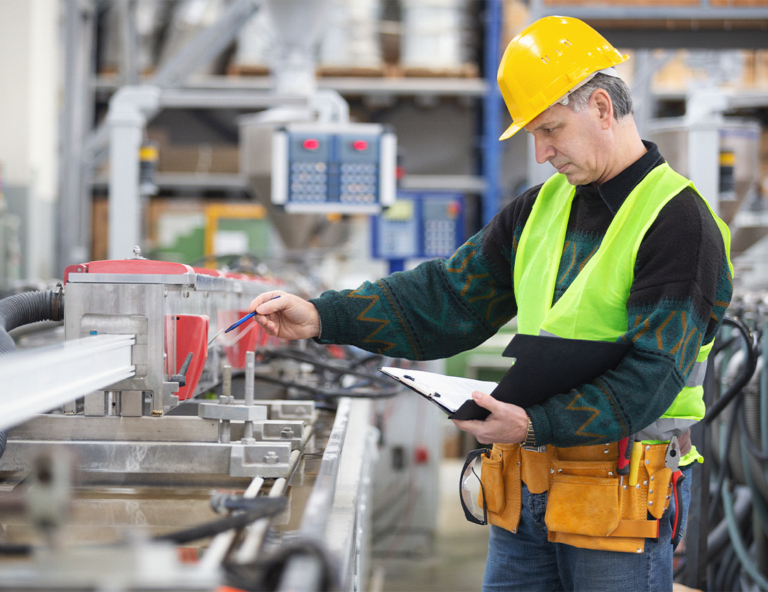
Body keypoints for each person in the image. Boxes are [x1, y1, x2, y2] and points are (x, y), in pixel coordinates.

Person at [248, 16, 733, 592]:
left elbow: (657, 370)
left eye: (550, 129)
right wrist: (324, 315)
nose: (542, 151)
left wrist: (535, 422)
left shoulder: (679, 221)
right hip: (526, 492)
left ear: (602, 107)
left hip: (618, 498)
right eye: (533, 133)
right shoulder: (541, 207)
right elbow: (449, 297)